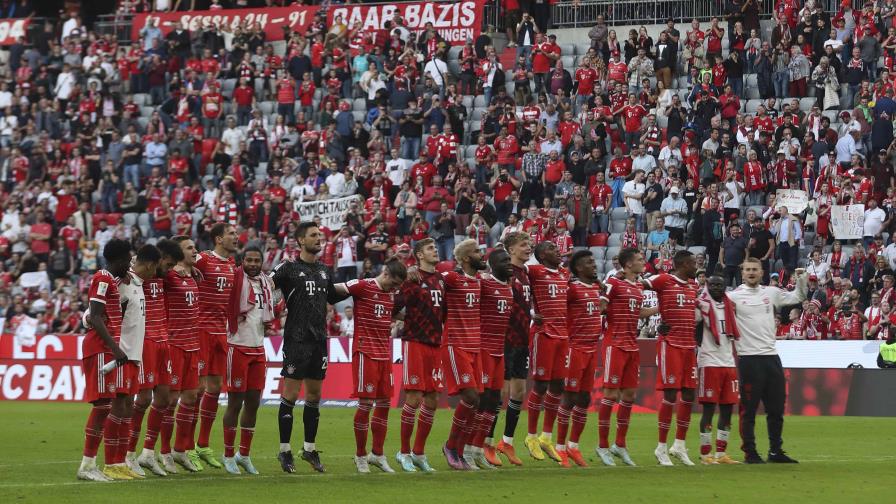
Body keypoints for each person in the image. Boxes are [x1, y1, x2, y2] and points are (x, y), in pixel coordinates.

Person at [272, 222, 341, 474]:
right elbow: (265, 283)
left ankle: (309, 449)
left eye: (319, 236)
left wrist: (367, 285)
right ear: (300, 240)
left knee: (314, 396)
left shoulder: (324, 270)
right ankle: (284, 450)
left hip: (320, 340)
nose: (318, 239)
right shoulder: (288, 268)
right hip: (296, 339)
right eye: (313, 235)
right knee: (290, 395)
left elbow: (333, 294)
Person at [727, 258, 806, 463]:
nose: (751, 272)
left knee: (776, 408)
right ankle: (750, 452)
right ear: (742, 273)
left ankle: (775, 451)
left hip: (771, 357)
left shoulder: (771, 293)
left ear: (762, 272)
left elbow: (798, 296)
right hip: (749, 359)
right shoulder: (732, 297)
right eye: (747, 270)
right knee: (749, 409)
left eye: (755, 269)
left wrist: (801, 278)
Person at [333, 258, 407, 474]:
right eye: (394, 283)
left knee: (384, 405)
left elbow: (396, 313)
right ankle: (360, 456)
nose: (395, 288)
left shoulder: (390, 295)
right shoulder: (363, 286)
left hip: (385, 354)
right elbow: (338, 288)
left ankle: (377, 454)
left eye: (397, 286)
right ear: (385, 272)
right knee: (366, 405)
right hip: (365, 353)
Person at [76, 239, 136, 482]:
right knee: (102, 406)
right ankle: (87, 465)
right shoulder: (102, 278)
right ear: (119, 259)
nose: (130, 264)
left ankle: (90, 464)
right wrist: (115, 347)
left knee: (106, 406)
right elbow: (96, 317)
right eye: (128, 260)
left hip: (106, 348)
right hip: (100, 347)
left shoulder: (111, 279)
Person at [596, 247, 657, 466]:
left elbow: (637, 311)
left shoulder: (638, 286)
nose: (644, 263)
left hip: (632, 345)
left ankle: (619, 445)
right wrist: (601, 304)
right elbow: (602, 306)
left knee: (629, 395)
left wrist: (659, 309)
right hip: (615, 344)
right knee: (610, 394)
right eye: (640, 260)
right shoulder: (614, 282)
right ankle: (602, 445)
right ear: (629, 264)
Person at [220, 246, 274, 475]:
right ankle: (228, 454)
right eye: (249, 260)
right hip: (237, 347)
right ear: (242, 261)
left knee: (253, 402)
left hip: (258, 348)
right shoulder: (234, 278)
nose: (253, 264)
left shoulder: (266, 283)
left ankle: (244, 454)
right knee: (235, 403)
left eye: (256, 260)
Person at [133, 239, 184, 477]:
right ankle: (127, 454)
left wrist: (190, 271)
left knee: (163, 398)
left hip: (164, 341)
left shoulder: (165, 277)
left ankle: (147, 453)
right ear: (158, 258)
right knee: (143, 398)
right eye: (169, 264)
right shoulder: (135, 274)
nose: (171, 269)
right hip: (145, 342)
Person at [644, 250, 699, 467]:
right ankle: (661, 447)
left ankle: (679, 445)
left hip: (689, 345)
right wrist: (653, 317)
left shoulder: (693, 286)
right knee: (670, 393)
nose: (697, 266)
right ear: (683, 264)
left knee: (688, 393)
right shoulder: (664, 279)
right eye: (694, 262)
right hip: (670, 344)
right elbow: (637, 286)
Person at [393, 238, 444, 473]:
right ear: (419, 255)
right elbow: (394, 308)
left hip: (436, 345)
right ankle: (403, 452)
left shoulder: (441, 280)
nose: (435, 251)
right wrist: (410, 321)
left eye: (435, 247)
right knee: (413, 399)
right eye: (430, 249)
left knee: (432, 401)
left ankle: (419, 453)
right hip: (414, 343)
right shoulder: (412, 280)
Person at [193, 223, 239, 470]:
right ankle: (185, 447)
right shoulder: (202, 260)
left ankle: (202, 445)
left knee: (214, 389)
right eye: (232, 234)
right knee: (196, 390)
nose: (236, 237)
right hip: (200, 331)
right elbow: (178, 272)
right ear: (219, 239)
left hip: (221, 333)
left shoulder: (233, 265)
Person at [440, 239, 486, 470]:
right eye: (477, 251)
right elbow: (431, 282)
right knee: (470, 397)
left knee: (475, 401)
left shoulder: (479, 281)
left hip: (475, 346)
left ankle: (457, 451)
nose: (482, 254)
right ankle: (450, 447)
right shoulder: (451, 278)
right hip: (455, 343)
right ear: (467, 258)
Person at [554, 250, 602, 467]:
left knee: (584, 399)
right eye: (590, 263)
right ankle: (560, 447)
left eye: (594, 261)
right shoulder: (571, 290)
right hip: (575, 349)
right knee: (570, 398)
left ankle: (574, 446)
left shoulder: (595, 288)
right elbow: (556, 309)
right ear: (579, 268)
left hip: (592, 349)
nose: (594, 265)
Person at [523, 241, 570, 463]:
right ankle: (531, 436)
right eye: (551, 248)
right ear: (541, 255)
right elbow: (513, 280)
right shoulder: (533, 271)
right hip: (544, 333)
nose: (557, 250)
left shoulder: (564, 274)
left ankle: (546, 437)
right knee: (541, 384)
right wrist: (531, 311)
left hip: (563, 335)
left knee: (559, 385)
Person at [469, 248, 514, 469]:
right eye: (505, 260)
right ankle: (467, 448)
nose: (509, 263)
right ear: (492, 264)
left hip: (499, 351)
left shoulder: (509, 289)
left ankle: (478, 450)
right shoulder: (484, 284)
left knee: (494, 402)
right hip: (484, 349)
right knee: (482, 400)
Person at [118, 245, 159, 478]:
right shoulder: (124, 283)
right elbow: (98, 312)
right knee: (119, 408)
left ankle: (123, 459)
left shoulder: (138, 284)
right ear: (151, 265)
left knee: (125, 409)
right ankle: (117, 459)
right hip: (122, 355)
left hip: (134, 355)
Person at [164, 236, 203, 473]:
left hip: (193, 346)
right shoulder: (169, 276)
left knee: (191, 398)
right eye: (189, 248)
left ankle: (180, 450)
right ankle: (165, 452)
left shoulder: (193, 276)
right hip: (174, 345)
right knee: (169, 402)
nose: (194, 250)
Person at [695, 271, 742, 465]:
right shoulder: (702, 305)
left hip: (728, 362)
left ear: (724, 287)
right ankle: (705, 453)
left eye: (719, 285)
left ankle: (721, 453)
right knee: (708, 409)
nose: (716, 288)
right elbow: (694, 328)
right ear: (707, 285)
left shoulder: (730, 306)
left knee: (727, 408)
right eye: (712, 285)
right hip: (710, 361)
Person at [494, 232, 533, 465]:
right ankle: (486, 443)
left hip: (523, 339)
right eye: (523, 245)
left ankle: (506, 442)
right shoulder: (504, 274)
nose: (528, 248)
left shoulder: (527, 273)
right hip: (505, 339)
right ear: (511, 250)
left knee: (518, 393)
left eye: (529, 244)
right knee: (500, 393)